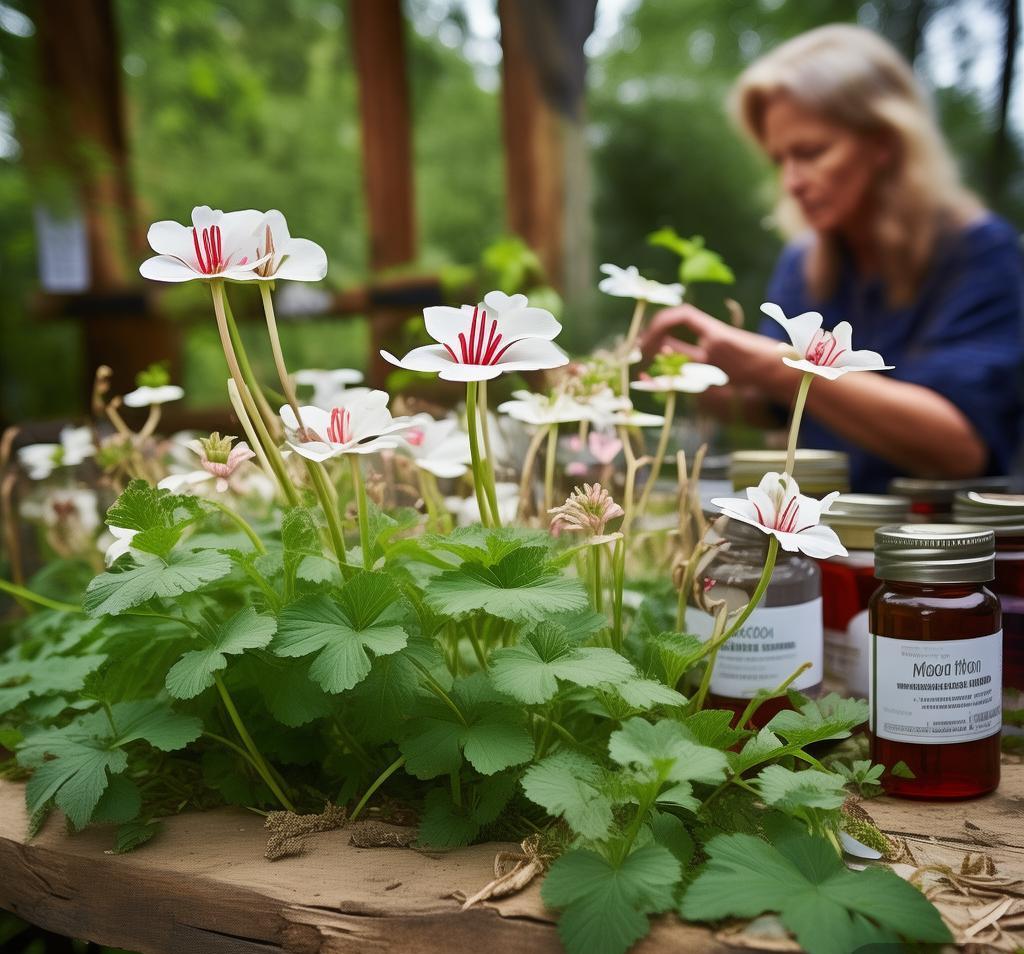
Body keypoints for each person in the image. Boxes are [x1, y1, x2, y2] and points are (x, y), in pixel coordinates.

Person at [640, 24, 1024, 493]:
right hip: (823, 525)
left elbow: (960, 450)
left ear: (884, 142)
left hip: (942, 534)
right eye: (780, 160)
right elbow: (776, 406)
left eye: (811, 152)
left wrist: (772, 365)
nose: (792, 182)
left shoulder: (980, 252)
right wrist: (681, 374)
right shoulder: (805, 262)